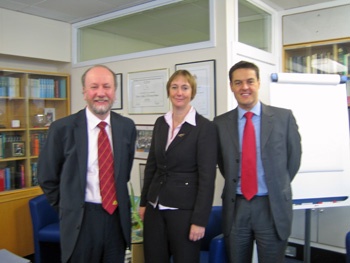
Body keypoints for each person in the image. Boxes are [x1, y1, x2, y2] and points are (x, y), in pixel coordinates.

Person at [37, 65, 136, 263]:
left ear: (114, 91)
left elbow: (123, 174)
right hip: (81, 221)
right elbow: (47, 177)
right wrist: (68, 207)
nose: (101, 93)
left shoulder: (126, 127)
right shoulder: (62, 129)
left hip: (116, 219)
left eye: (107, 86)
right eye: (94, 87)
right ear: (84, 92)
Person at [214, 61, 302, 263]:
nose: (244, 87)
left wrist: (276, 183)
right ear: (231, 86)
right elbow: (223, 163)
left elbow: (294, 159)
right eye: (238, 82)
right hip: (237, 207)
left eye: (250, 81)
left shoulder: (283, 117)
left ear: (259, 83)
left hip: (272, 206)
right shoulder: (219, 124)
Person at [139, 70, 217, 263]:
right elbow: (152, 166)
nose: (179, 92)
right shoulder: (161, 122)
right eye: (174, 87)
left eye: (184, 87)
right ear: (168, 91)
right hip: (155, 208)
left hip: (185, 211)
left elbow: (207, 178)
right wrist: (143, 203)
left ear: (192, 92)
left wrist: (199, 220)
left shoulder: (204, 127)